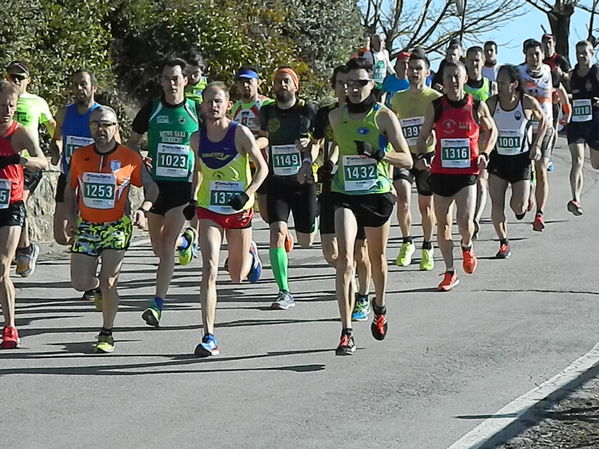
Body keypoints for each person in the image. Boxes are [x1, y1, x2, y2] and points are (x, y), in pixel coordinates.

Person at [328, 57, 412, 355]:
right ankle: (346, 331)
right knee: (346, 259)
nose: (353, 88)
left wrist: (379, 154)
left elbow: (407, 159)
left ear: (372, 84)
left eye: (361, 83)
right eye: (348, 83)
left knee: (376, 259)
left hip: (376, 193)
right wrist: (324, 162)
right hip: (345, 193)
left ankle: (380, 305)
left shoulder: (384, 116)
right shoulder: (336, 117)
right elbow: (332, 148)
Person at [65, 106, 158, 353]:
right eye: (96, 124)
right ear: (90, 128)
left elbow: (152, 189)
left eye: (107, 124)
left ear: (116, 128)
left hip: (116, 226)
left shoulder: (129, 157)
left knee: (109, 281)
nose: (101, 129)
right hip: (86, 225)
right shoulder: (80, 156)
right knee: (79, 282)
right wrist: (70, 216)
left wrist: (143, 209)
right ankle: (94, 289)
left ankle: (106, 332)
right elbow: (69, 188)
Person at [191, 82, 268, 357]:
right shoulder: (196, 138)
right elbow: (198, 170)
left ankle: (250, 252)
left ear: (227, 105)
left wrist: (246, 195)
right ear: (202, 106)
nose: (213, 106)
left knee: (237, 276)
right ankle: (208, 336)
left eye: (218, 101)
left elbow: (263, 169)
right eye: (209, 101)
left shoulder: (240, 133)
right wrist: (193, 198)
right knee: (210, 267)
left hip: (238, 210)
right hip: (209, 210)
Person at [126, 58, 201, 327]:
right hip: (155, 189)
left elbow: (211, 140)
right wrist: (141, 162)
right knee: (159, 249)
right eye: (167, 78)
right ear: (161, 81)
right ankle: (187, 243)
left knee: (166, 246)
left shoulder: (195, 110)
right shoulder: (152, 109)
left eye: (176, 78)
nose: (171, 83)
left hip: (183, 189)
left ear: (185, 80)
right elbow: (131, 143)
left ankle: (157, 303)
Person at [417, 61, 498, 292]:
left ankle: (467, 245)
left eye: (457, 76)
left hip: (467, 173)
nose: (453, 81)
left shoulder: (477, 106)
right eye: (449, 77)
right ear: (442, 81)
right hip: (441, 172)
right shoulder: (436, 107)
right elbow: (423, 135)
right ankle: (450, 272)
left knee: (464, 222)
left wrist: (485, 153)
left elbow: (492, 130)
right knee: (442, 225)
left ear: (465, 79)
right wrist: (423, 155)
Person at [313, 65, 372, 322]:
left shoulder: (361, 114)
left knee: (358, 252)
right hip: (329, 187)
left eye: (347, 83)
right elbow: (315, 143)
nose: (344, 88)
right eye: (339, 83)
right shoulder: (326, 114)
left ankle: (361, 295)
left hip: (355, 189)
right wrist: (310, 163)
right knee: (331, 252)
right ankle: (347, 276)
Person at [257, 67, 317, 310]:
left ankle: (314, 214)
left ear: (295, 86)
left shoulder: (307, 108)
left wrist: (308, 151)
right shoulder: (267, 110)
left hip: (303, 182)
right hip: (277, 182)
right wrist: (249, 145)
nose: (282, 85)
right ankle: (284, 291)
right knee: (276, 232)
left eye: (286, 81)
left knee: (306, 241)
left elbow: (318, 140)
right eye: (278, 81)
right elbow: (264, 137)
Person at [0, 80, 48, 349]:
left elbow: (43, 161)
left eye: (11, 106)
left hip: (11, 205)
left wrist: (20, 161)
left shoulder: (20, 133)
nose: (6, 110)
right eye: (2, 105)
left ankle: (10, 328)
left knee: (2, 265)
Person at [51, 70, 102, 303]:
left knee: (87, 231)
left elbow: (116, 145)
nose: (79, 89)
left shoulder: (101, 114)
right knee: (61, 235)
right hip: (68, 177)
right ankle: (88, 258)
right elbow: (57, 138)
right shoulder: (64, 113)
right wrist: (56, 148)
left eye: (84, 84)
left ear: (93, 87)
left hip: (92, 181)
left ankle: (91, 278)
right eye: (75, 85)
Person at [487, 65, 547, 258]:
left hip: (521, 159)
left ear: (514, 84)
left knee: (518, 208)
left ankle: (528, 191)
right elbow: (480, 123)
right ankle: (503, 242)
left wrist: (537, 145)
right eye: (498, 82)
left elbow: (544, 121)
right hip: (498, 159)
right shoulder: (491, 103)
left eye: (503, 82)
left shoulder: (526, 102)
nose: (499, 85)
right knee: (497, 203)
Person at [391, 52, 441, 270]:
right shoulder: (397, 98)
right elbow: (389, 127)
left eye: (418, 68)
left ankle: (427, 247)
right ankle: (406, 242)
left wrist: (433, 140)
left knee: (425, 206)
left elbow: (442, 127)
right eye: (410, 68)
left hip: (427, 156)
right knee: (402, 199)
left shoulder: (435, 98)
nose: (413, 72)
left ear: (427, 72)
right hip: (404, 155)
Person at [6, 61, 56, 277]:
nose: (16, 81)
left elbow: (53, 125)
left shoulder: (37, 102)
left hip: (28, 163)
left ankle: (24, 249)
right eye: (12, 77)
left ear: (29, 81)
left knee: (18, 200)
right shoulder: (3, 100)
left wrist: (58, 145)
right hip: (5, 163)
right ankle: (22, 247)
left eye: (20, 77)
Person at [519, 39, 571, 231]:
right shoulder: (519, 73)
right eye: (531, 54)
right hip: (524, 127)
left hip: (545, 126)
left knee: (541, 170)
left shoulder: (550, 72)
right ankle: (529, 191)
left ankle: (540, 213)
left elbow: (560, 90)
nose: (535, 58)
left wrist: (567, 110)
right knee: (526, 170)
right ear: (525, 54)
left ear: (543, 55)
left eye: (538, 54)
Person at [230, 66, 274, 222]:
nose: (245, 86)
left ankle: (282, 235)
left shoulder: (268, 105)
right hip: (241, 165)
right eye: (241, 82)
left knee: (267, 214)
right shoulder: (235, 108)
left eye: (249, 82)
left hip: (263, 162)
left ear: (258, 83)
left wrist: (252, 146)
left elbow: (273, 136)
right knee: (241, 206)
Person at [566, 40, 599, 215]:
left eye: (584, 53)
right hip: (578, 123)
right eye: (578, 52)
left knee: (596, 164)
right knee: (577, 160)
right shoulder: (573, 75)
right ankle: (576, 199)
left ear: (592, 53)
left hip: (595, 122)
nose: (580, 56)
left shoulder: (597, 72)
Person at [465, 46, 495, 239]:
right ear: (465, 62)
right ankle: (466, 216)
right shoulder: (460, 84)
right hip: (463, 139)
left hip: (483, 138)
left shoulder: (490, 86)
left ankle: (475, 219)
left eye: (478, 60)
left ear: (483, 62)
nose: (475, 64)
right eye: (471, 60)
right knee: (468, 181)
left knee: (482, 180)